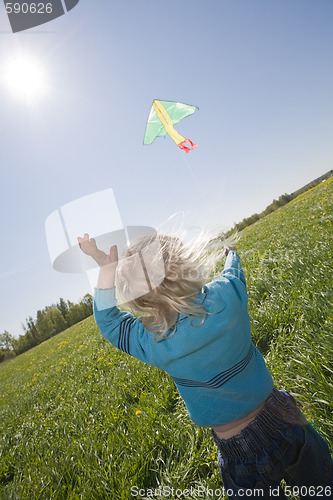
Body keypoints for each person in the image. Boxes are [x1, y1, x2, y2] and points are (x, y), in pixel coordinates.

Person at [78, 232, 333, 499]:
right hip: (282, 418)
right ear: (183, 266)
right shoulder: (227, 296)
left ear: (141, 300)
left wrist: (107, 269)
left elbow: (108, 321)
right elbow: (233, 272)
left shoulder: (153, 341)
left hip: (238, 452)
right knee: (323, 486)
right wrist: (231, 253)